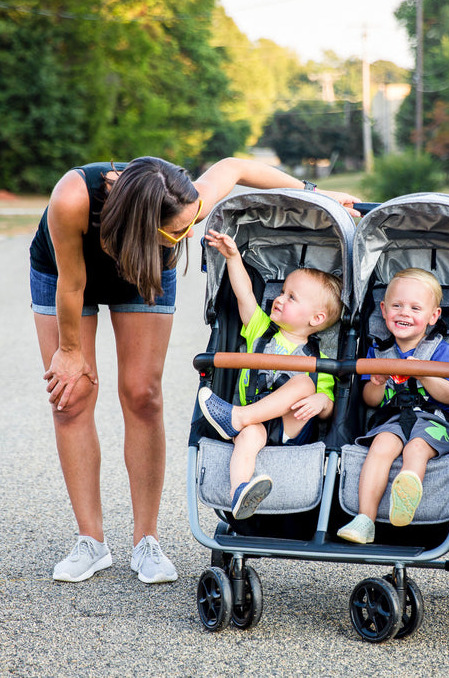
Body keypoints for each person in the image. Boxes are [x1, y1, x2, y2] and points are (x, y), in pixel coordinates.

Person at [30, 157, 359, 584]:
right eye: (179, 232)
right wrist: (70, 350)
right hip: (64, 273)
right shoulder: (73, 199)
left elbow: (236, 166)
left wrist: (316, 195)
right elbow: (72, 284)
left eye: (191, 224)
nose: (188, 235)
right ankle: (90, 542)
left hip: (142, 262)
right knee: (71, 398)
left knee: (142, 395)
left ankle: (146, 540)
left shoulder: (183, 204)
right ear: (145, 221)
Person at [196, 229, 343, 520]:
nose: (279, 298)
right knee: (248, 437)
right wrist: (234, 258)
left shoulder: (321, 360)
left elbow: (328, 406)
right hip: (259, 423)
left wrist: (321, 403)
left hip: (291, 427)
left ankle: (237, 417)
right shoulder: (261, 330)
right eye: (282, 291)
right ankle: (240, 492)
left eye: (291, 297)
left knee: (303, 381)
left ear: (316, 319)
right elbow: (245, 294)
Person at [337, 268, 449, 544]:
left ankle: (407, 488)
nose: (404, 313)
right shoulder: (378, 352)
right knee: (381, 444)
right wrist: (378, 383)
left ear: (433, 316)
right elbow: (371, 400)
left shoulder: (439, 350)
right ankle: (365, 519)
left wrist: (423, 371)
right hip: (393, 420)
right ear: (383, 309)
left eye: (415, 308)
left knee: (415, 447)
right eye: (397, 305)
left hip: (434, 421)